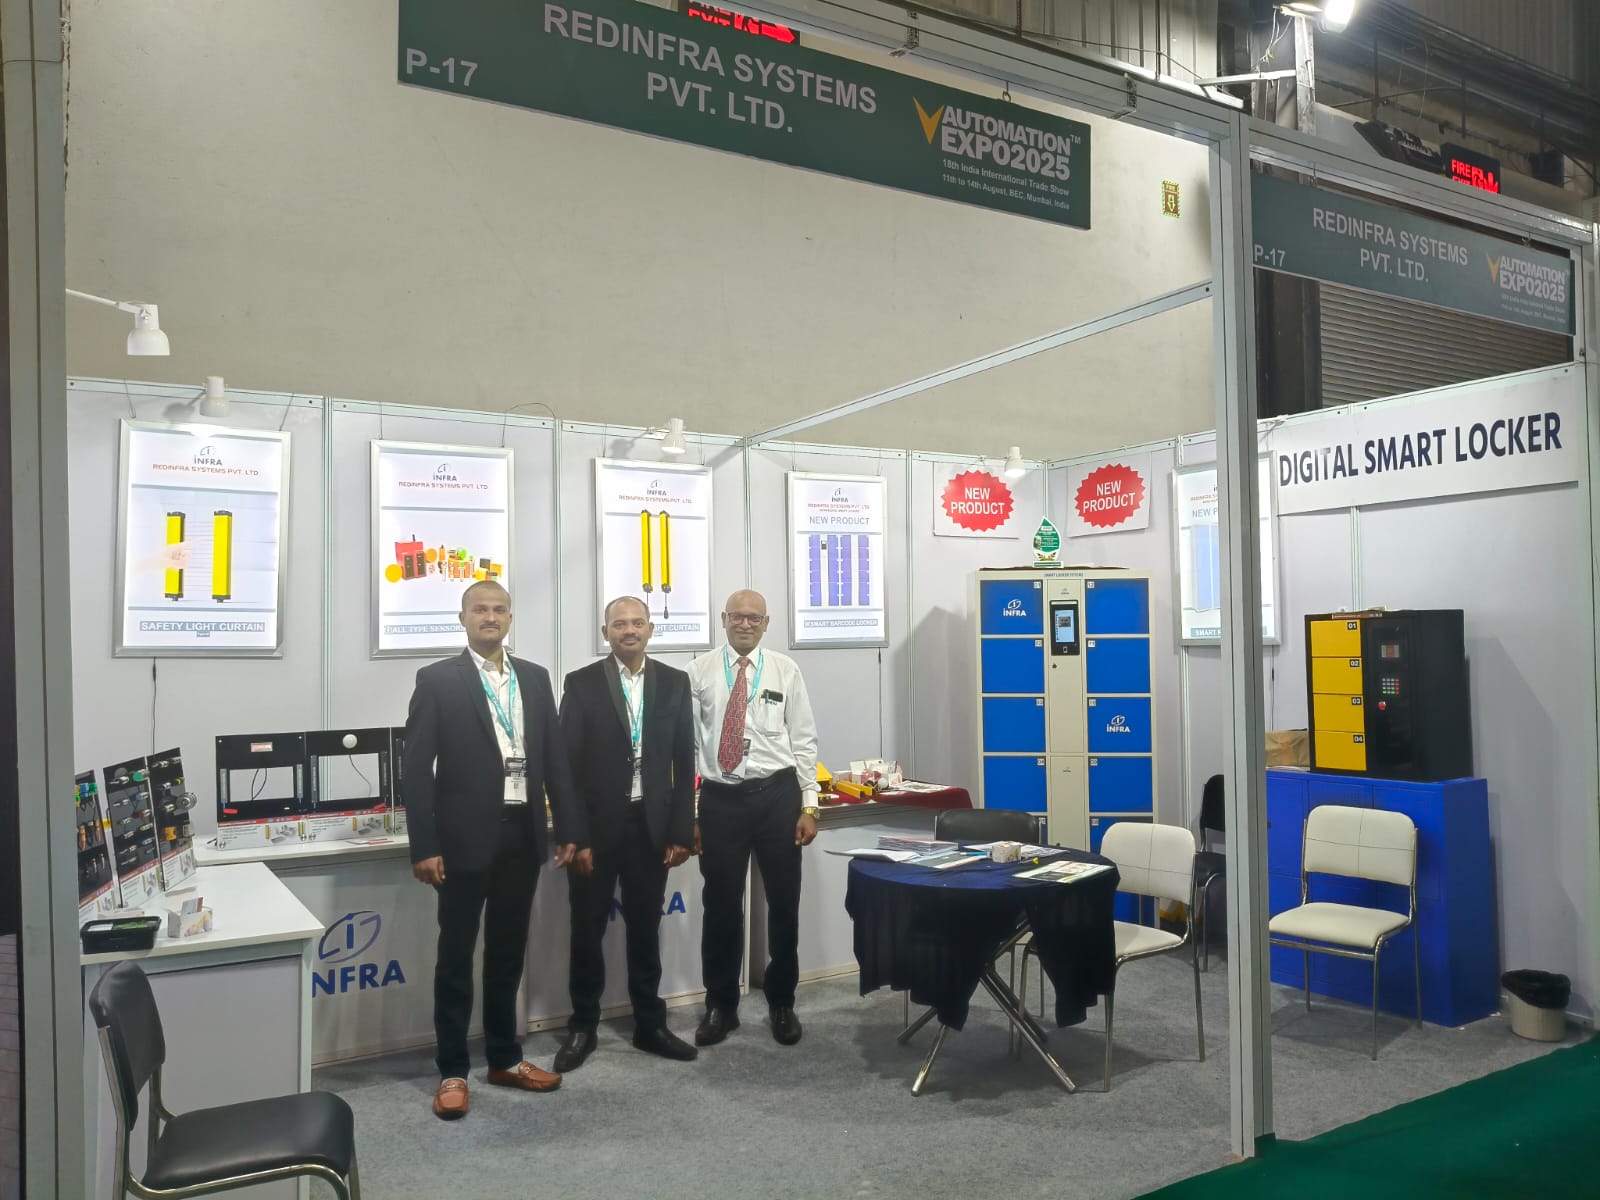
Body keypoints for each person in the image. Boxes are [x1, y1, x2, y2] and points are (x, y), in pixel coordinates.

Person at [404, 579, 591, 1120]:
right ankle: (452, 1070)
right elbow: (415, 768)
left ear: (510, 618)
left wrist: (570, 827)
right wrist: (424, 844)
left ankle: (505, 1058)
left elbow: (554, 758)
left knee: (508, 953)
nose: (490, 617)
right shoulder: (438, 679)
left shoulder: (534, 677)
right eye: (480, 609)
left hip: (522, 834)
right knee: (456, 957)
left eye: (499, 609)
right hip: (462, 840)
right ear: (462, 618)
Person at [553, 596, 699, 1071]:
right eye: (619, 624)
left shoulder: (674, 682)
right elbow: (566, 767)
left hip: (650, 828)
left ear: (651, 629)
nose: (629, 630)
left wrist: (681, 830)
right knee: (586, 930)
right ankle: (583, 1025)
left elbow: (684, 760)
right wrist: (576, 836)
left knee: (645, 930)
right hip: (595, 833)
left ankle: (649, 1025)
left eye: (637, 622)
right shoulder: (581, 683)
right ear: (606, 633)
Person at [688, 588, 819, 1047]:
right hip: (720, 799)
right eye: (737, 616)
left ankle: (782, 1002)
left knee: (784, 904)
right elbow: (689, 746)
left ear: (766, 623)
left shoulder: (785, 669)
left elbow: (804, 739)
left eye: (754, 618)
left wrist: (809, 804)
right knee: (721, 905)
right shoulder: (698, 671)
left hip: (776, 796)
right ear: (723, 619)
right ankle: (721, 1005)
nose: (745, 624)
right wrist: (692, 812)